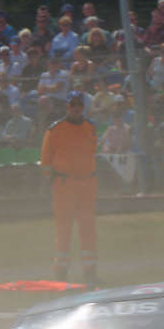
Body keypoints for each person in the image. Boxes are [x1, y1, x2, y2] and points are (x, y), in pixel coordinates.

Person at [39, 92, 99, 284]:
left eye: (79, 104)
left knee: (87, 226)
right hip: (65, 185)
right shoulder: (55, 129)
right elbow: (46, 160)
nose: (76, 108)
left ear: (84, 106)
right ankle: (61, 270)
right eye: (73, 104)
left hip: (87, 183)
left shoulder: (90, 127)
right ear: (67, 106)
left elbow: (92, 152)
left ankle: (90, 270)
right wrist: (52, 182)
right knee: (64, 227)